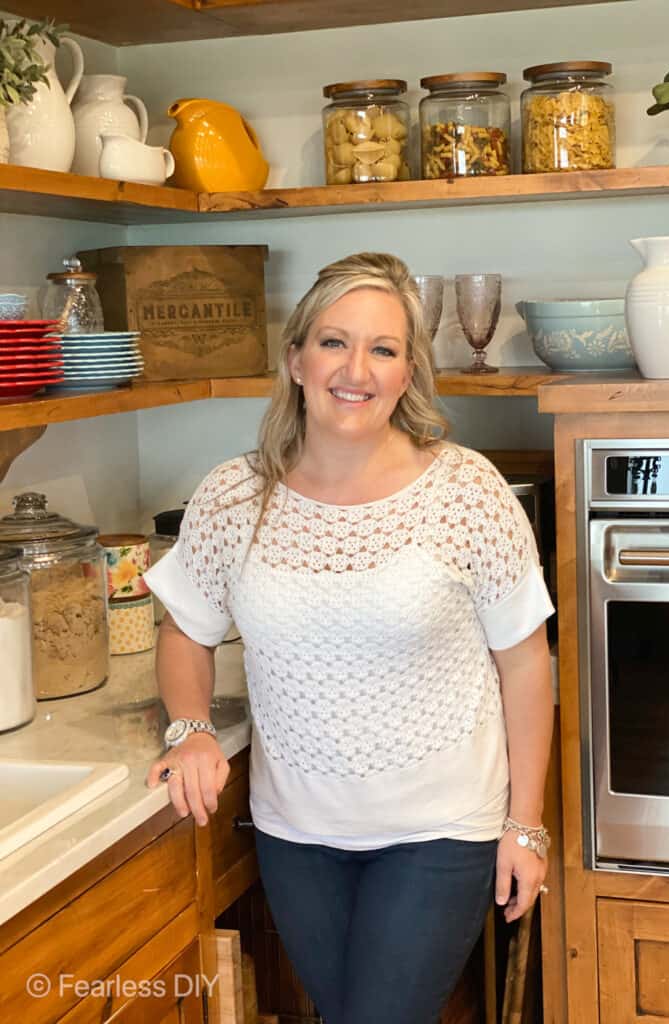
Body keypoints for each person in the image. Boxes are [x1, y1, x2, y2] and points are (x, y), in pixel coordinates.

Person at [144, 252, 554, 1024]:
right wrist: (191, 730)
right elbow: (184, 631)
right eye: (334, 342)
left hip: (443, 827)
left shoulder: (467, 491)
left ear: (407, 375)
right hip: (296, 832)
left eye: (384, 349)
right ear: (296, 358)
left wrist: (524, 825)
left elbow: (526, 664)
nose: (354, 369)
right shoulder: (235, 494)